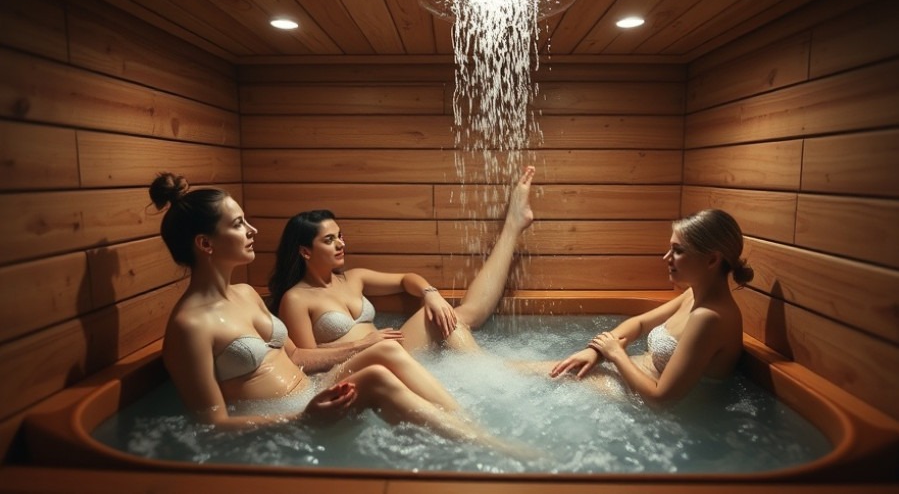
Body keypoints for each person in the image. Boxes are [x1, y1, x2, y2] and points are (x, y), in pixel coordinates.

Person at [148, 172, 524, 454]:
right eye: (238, 224)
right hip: (292, 412)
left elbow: (293, 356)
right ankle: (493, 450)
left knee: (388, 352)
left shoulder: (245, 293)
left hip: (311, 389)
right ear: (205, 243)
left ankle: (474, 429)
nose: (252, 230)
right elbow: (211, 423)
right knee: (376, 375)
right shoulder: (189, 325)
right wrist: (301, 418)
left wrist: (369, 343)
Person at [267, 166, 536, 361]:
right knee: (461, 320)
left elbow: (406, 279)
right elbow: (303, 356)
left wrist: (431, 295)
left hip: (393, 354)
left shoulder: (353, 278)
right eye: (329, 240)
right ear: (305, 251)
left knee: (453, 316)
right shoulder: (296, 299)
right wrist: (363, 344)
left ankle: (513, 225)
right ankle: (513, 374)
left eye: (340, 236)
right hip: (358, 366)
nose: (340, 244)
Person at [546, 209, 754, 405]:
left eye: (678, 251)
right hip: (627, 380)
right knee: (527, 372)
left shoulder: (709, 318)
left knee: (533, 378)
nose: (666, 258)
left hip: (639, 400)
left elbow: (660, 399)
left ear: (712, 260)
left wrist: (615, 353)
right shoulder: (693, 295)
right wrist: (596, 352)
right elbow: (639, 322)